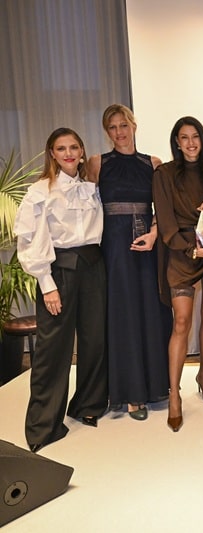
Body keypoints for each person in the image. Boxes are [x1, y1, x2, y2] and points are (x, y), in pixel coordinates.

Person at [15, 128, 107, 452]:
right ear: (52, 154)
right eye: (61, 148)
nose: (68, 153)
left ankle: (88, 405)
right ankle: (43, 426)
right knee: (53, 349)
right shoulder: (40, 191)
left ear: (82, 152)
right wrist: (47, 285)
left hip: (94, 267)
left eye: (73, 147)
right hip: (59, 270)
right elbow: (31, 240)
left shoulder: (92, 188)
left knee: (95, 340)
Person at [85, 104, 172, 421]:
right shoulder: (97, 163)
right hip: (113, 247)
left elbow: (163, 209)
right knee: (121, 315)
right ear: (106, 131)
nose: (119, 132)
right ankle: (130, 393)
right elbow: (86, 208)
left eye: (124, 125)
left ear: (134, 125)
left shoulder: (154, 164)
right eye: (112, 127)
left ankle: (155, 386)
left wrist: (154, 234)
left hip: (146, 246)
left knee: (149, 312)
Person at [152, 116, 203, 432]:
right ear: (177, 142)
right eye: (184, 137)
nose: (191, 143)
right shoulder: (164, 174)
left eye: (195, 136)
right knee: (182, 322)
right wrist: (192, 249)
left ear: (202, 139)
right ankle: (174, 394)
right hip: (182, 252)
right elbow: (166, 224)